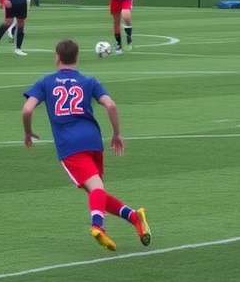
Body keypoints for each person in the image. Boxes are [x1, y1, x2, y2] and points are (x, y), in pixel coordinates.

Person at [21, 38, 151, 251]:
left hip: (69, 145)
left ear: (57, 57)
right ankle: (135, 217)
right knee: (95, 190)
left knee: (95, 188)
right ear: (77, 57)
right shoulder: (89, 81)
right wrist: (117, 134)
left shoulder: (45, 82)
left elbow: (27, 110)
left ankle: (98, 226)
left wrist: (28, 132)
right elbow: (110, 104)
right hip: (92, 140)